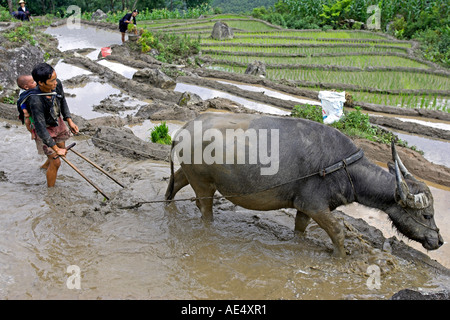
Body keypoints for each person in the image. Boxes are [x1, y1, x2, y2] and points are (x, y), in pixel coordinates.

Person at [27, 63, 79, 187]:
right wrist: (55, 149)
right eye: (52, 81)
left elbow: (62, 100)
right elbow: (40, 128)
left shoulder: (57, 84)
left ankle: (46, 165)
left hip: (57, 122)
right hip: (44, 130)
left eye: (55, 79)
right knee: (56, 162)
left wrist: (69, 120)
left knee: (63, 148)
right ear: (41, 82)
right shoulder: (35, 100)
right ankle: (50, 192)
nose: (56, 83)